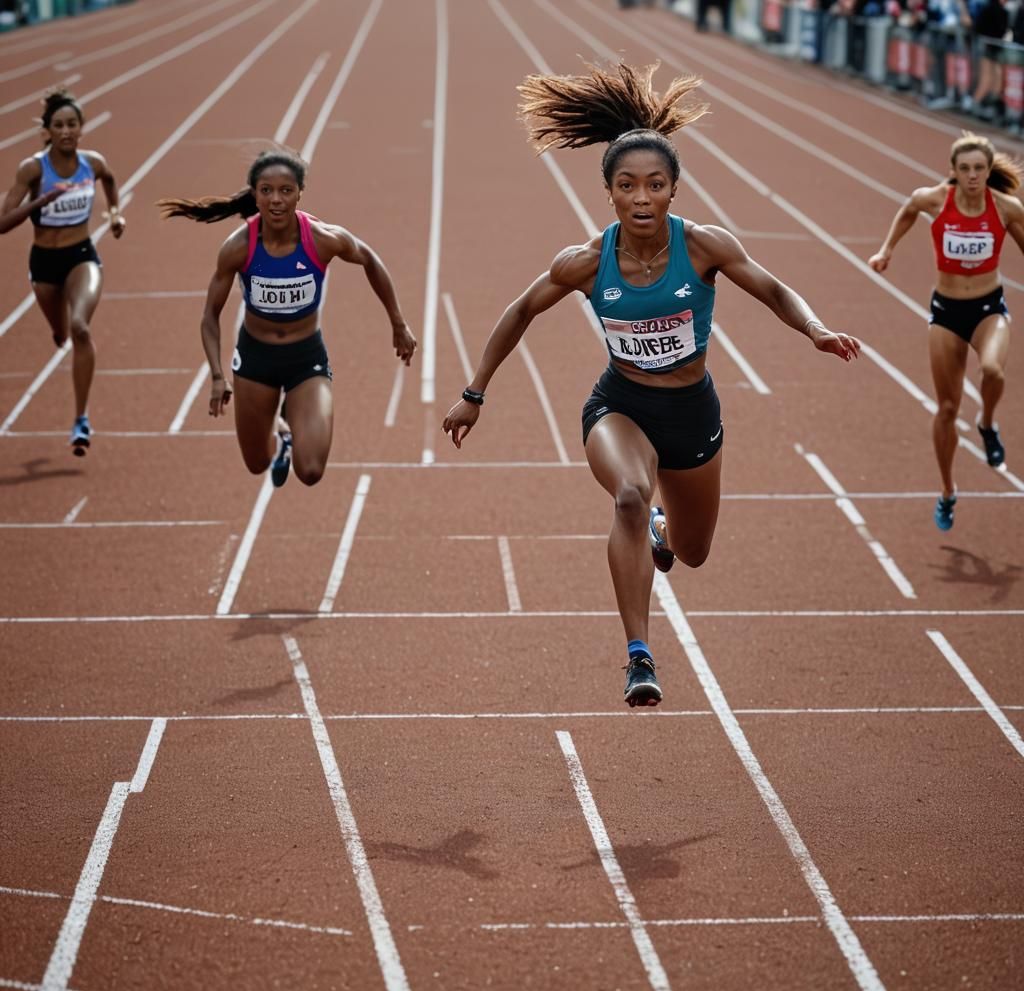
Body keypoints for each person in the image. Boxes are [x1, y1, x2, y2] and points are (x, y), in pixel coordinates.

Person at [441, 63, 861, 708]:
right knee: (631, 497)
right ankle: (640, 655)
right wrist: (474, 394)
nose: (641, 197)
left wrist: (815, 329)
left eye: (655, 185)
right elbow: (520, 310)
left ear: (673, 190)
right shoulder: (584, 261)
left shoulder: (705, 248)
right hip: (621, 404)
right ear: (608, 192)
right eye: (627, 185)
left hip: (692, 412)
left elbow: (773, 287)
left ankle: (667, 534)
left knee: (693, 553)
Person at [157, 150, 417, 488]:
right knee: (256, 463)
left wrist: (398, 322)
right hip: (255, 360)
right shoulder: (238, 248)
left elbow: (369, 259)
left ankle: (292, 425)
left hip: (305, 357)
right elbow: (210, 316)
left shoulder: (323, 239)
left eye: (285, 191)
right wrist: (218, 376)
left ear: (299, 194)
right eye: (266, 191)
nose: (276, 200)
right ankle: (282, 433)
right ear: (254, 194)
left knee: (310, 471)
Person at [868, 131, 1024, 530]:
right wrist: (887, 250)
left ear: (989, 172)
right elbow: (907, 210)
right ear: (953, 171)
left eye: (980, 169)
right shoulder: (934, 199)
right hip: (946, 311)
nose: (973, 175)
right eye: (966, 168)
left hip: (989, 307)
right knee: (947, 409)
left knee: (992, 370)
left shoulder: (1006, 207)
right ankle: (948, 490)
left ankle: (987, 423)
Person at [0, 88, 125, 456]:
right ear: (47, 132)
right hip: (44, 262)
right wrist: (41, 201)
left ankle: (81, 418)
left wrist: (115, 215)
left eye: (72, 124)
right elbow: (3, 223)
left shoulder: (93, 163)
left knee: (80, 327)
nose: (66, 131)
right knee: (60, 331)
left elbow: (111, 180)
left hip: (81, 255)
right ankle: (58, 330)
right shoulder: (33, 169)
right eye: (59, 125)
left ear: (82, 128)